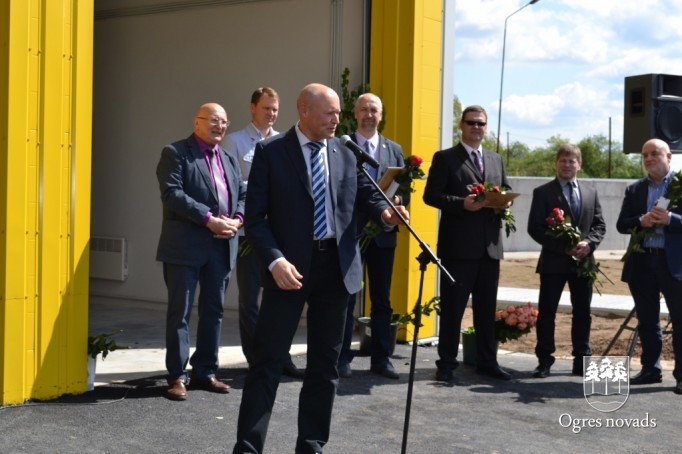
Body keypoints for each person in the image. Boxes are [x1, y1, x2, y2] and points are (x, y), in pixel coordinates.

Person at [233, 83, 409, 453]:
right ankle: (248, 447)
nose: (336, 120)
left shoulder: (344, 151)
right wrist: (275, 260)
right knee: (267, 364)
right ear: (304, 110)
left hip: (336, 268)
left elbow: (366, 193)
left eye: (338, 113)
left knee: (325, 367)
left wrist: (386, 213)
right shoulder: (272, 152)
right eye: (329, 113)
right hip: (288, 269)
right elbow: (255, 218)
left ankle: (311, 445)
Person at [156, 102, 246, 401]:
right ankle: (176, 376)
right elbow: (172, 194)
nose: (220, 126)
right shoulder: (175, 153)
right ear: (197, 123)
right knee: (179, 313)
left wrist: (237, 220)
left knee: (214, 311)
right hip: (185, 247)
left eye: (224, 121)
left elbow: (243, 193)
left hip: (222, 246)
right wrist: (209, 219)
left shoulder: (229, 158)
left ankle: (205, 371)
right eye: (213, 120)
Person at [422, 104, 512, 382]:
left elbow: (506, 189)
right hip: (459, 249)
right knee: (453, 310)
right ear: (461, 125)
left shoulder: (496, 159)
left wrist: (505, 202)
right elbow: (431, 195)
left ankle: (487, 361)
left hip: (490, 248)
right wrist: (462, 203)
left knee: (486, 310)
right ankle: (447, 364)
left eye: (481, 123)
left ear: (486, 127)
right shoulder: (445, 158)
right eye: (471, 122)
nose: (476, 127)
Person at [224, 87, 304, 379]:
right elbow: (231, 184)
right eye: (266, 108)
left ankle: (281, 355)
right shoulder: (234, 142)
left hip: (280, 234)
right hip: (250, 233)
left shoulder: (284, 142)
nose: (271, 113)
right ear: (252, 108)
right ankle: (256, 357)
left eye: (275, 109)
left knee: (282, 298)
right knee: (249, 300)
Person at [337, 93, 408, 380]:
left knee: (382, 299)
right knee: (347, 298)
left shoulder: (394, 149)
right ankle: (342, 358)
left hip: (383, 234)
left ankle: (381, 359)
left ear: (381, 115)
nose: (369, 114)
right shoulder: (342, 147)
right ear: (355, 114)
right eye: (364, 109)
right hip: (351, 233)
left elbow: (404, 190)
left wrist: (398, 203)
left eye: (374, 110)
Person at [527, 144, 606, 378]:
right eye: (563, 160)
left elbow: (599, 225)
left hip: (583, 263)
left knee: (583, 312)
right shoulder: (543, 192)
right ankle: (544, 360)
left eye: (572, 161)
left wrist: (589, 244)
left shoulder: (591, 192)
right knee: (547, 312)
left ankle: (581, 360)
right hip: (554, 263)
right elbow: (535, 228)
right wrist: (564, 248)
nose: (567, 164)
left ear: (579, 164)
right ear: (556, 163)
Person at [616, 138, 682, 394]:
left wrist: (671, 219)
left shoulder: (680, 185)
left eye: (655, 153)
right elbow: (622, 224)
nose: (649, 158)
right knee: (647, 320)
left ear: (669, 157)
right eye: (645, 155)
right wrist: (640, 221)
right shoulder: (635, 189)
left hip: (674, 264)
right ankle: (650, 369)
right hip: (642, 261)